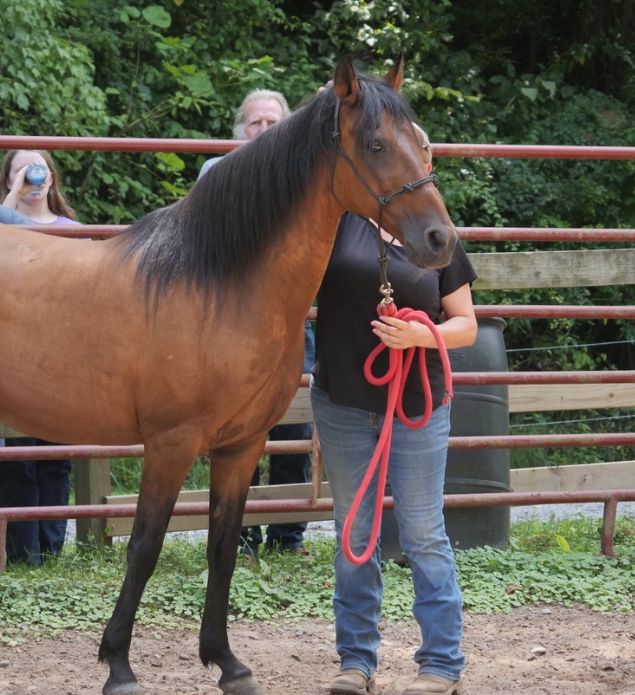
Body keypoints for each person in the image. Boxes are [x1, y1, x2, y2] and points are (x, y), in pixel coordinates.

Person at [312, 126, 476, 695]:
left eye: (421, 153)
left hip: (416, 404)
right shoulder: (341, 224)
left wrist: (419, 337)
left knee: (424, 530)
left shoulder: (437, 235)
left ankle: (441, 663)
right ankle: (355, 661)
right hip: (344, 400)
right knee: (353, 530)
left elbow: (466, 325)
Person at [198, 89, 313, 557]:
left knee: (292, 431)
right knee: (233, 429)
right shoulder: (216, 173)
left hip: (285, 322)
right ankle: (238, 536)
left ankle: (287, 536)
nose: (263, 131)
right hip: (228, 326)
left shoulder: (304, 179)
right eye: (254, 124)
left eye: (272, 123)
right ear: (240, 129)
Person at [0, 149, 77, 563]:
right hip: (12, 354)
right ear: (8, 180)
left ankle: (52, 550)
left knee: (56, 458)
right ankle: (23, 553)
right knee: (16, 458)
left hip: (61, 355)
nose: (32, 174)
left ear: (53, 177)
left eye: (39, 166)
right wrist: (15, 193)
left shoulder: (72, 230)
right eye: (20, 169)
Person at [0, 149, 78, 225]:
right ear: (9, 182)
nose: (31, 176)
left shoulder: (72, 229)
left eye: (39, 169)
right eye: (22, 171)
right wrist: (16, 193)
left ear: (51, 179)